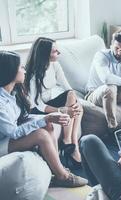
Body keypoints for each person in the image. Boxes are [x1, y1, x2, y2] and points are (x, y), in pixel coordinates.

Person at [0, 51, 87, 187]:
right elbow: (13, 132)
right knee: (41, 135)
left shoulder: (13, 92)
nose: (24, 70)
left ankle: (57, 168)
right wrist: (45, 118)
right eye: (21, 67)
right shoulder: (0, 102)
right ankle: (63, 177)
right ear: (10, 72)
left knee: (48, 125)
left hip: (9, 136)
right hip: (2, 142)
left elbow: (23, 116)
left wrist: (48, 119)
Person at [24, 37, 83, 168]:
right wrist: (62, 110)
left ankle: (71, 141)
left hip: (49, 101)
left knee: (75, 100)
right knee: (76, 108)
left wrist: (69, 107)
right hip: (37, 108)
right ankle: (71, 147)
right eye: (55, 51)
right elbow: (37, 104)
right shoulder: (32, 73)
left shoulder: (55, 65)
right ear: (45, 54)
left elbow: (68, 89)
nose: (58, 53)